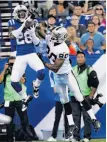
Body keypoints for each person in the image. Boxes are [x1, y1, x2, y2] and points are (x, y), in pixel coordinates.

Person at [39, 26, 101, 139]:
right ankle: (72, 125)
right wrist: (35, 25)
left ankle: (94, 119)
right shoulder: (51, 38)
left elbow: (56, 67)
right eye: (53, 34)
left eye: (56, 35)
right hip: (58, 77)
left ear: (61, 37)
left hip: (66, 75)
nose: (53, 36)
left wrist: (43, 62)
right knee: (64, 101)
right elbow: (42, 34)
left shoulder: (63, 48)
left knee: (79, 97)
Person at [8, 5, 45, 101]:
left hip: (31, 53)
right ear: (15, 14)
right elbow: (12, 36)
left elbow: (37, 44)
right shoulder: (12, 23)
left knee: (41, 72)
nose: (22, 15)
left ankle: (36, 85)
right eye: (19, 13)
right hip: (20, 55)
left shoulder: (33, 22)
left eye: (23, 12)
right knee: (14, 82)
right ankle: (25, 97)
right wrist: (25, 25)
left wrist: (33, 33)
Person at [0, 56, 36, 142]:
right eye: (11, 64)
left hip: (20, 99)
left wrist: (16, 72)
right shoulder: (5, 72)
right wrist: (4, 70)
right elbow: (0, 80)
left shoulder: (21, 71)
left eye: (14, 64)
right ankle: (10, 140)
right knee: (9, 122)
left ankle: (28, 139)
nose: (12, 65)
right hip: (8, 100)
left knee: (24, 120)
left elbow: (23, 81)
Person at [70, 51, 100, 142]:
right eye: (78, 57)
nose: (80, 58)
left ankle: (87, 137)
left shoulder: (89, 69)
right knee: (75, 117)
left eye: (82, 57)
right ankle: (76, 137)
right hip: (74, 97)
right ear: (76, 58)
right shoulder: (72, 69)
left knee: (87, 117)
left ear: (85, 58)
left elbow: (96, 83)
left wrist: (91, 96)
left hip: (85, 97)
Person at [47, 71, 69, 142]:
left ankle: (66, 136)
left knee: (67, 118)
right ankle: (53, 136)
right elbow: (55, 90)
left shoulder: (67, 74)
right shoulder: (53, 75)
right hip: (58, 100)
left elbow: (69, 88)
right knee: (57, 118)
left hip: (67, 100)